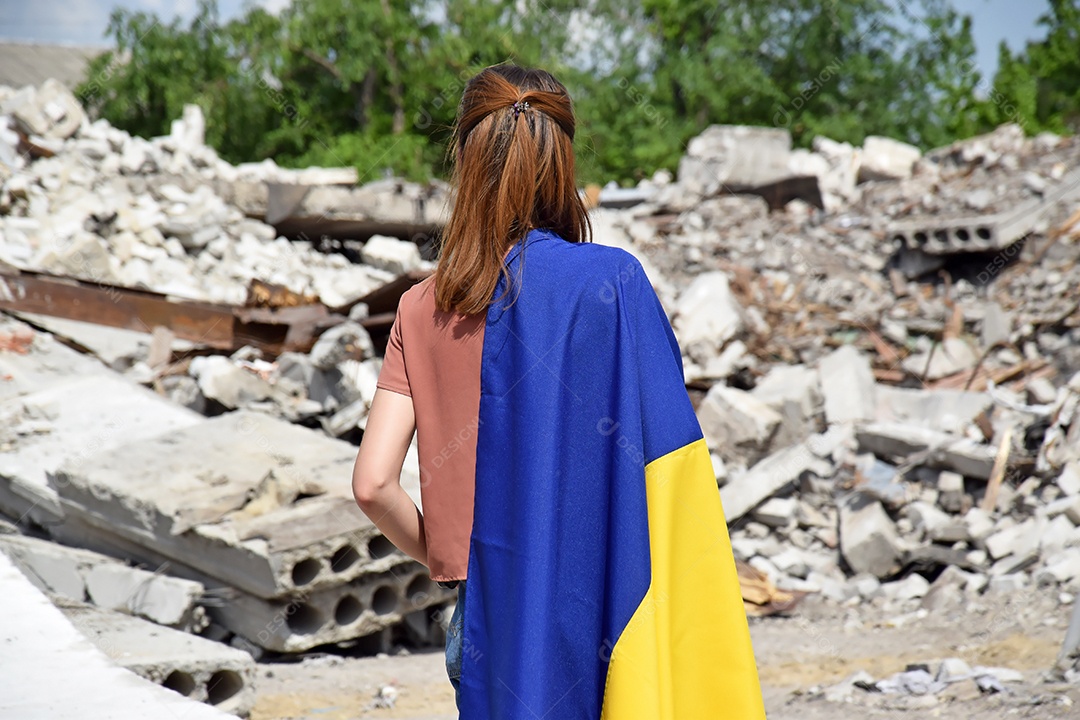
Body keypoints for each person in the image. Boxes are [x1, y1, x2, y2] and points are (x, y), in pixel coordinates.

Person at [352, 64, 766, 720]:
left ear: (465, 158)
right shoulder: (612, 284)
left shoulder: (420, 307)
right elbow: (666, 466)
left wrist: (454, 554)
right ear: (562, 158)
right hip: (604, 604)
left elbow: (373, 485)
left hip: (485, 619)